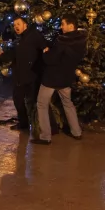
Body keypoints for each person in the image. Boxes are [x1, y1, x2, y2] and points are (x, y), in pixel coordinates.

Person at [32, 14, 88, 145]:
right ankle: (77, 132)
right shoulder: (81, 42)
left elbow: (51, 59)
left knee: (41, 104)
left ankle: (45, 136)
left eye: (63, 24)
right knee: (68, 103)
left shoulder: (63, 41)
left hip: (52, 78)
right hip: (67, 78)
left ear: (71, 26)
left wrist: (46, 52)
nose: (61, 27)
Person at [0, 16, 47, 131]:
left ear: (25, 25)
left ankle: (37, 126)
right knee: (18, 100)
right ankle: (23, 124)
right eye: (14, 25)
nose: (16, 27)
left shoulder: (34, 35)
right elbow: (14, 54)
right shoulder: (19, 39)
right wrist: (2, 56)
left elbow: (44, 48)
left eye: (18, 24)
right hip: (19, 76)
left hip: (31, 76)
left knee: (32, 102)